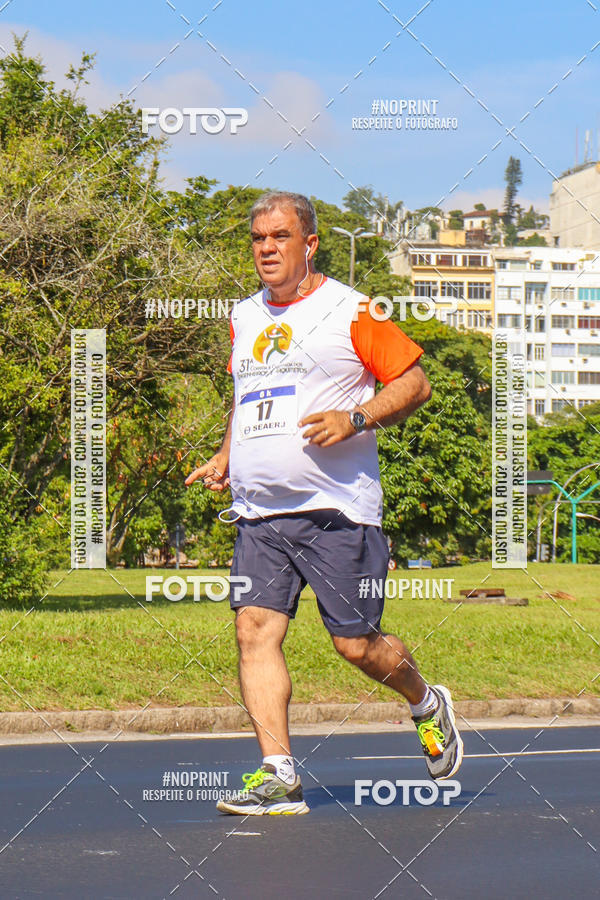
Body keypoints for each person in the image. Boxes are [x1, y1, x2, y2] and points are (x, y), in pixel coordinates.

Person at [185, 190, 463, 816]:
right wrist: (227, 456)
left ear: (309, 244)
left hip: (338, 510)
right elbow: (248, 391)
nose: (266, 249)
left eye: (280, 237)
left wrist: (357, 417)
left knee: (356, 645)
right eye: (258, 239)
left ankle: (424, 700)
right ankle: (277, 773)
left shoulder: (351, 309)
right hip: (261, 513)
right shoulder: (244, 314)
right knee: (254, 631)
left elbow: (414, 381)